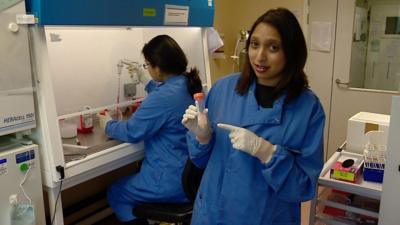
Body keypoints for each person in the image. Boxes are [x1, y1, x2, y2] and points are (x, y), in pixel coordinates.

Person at [182, 8, 325, 225]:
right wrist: (203, 138)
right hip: (213, 213)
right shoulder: (223, 90)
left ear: (292, 52)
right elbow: (199, 161)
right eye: (255, 44)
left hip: (265, 216)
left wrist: (267, 152)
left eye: (273, 47)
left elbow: (304, 186)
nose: (260, 56)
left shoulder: (307, 108)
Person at [105, 35, 203, 225]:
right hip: (191, 181)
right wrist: (147, 82)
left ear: (158, 67)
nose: (147, 69)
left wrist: (107, 124)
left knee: (116, 192)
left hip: (168, 182)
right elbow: (166, 97)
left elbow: (132, 132)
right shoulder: (188, 84)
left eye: (147, 65)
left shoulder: (162, 97)